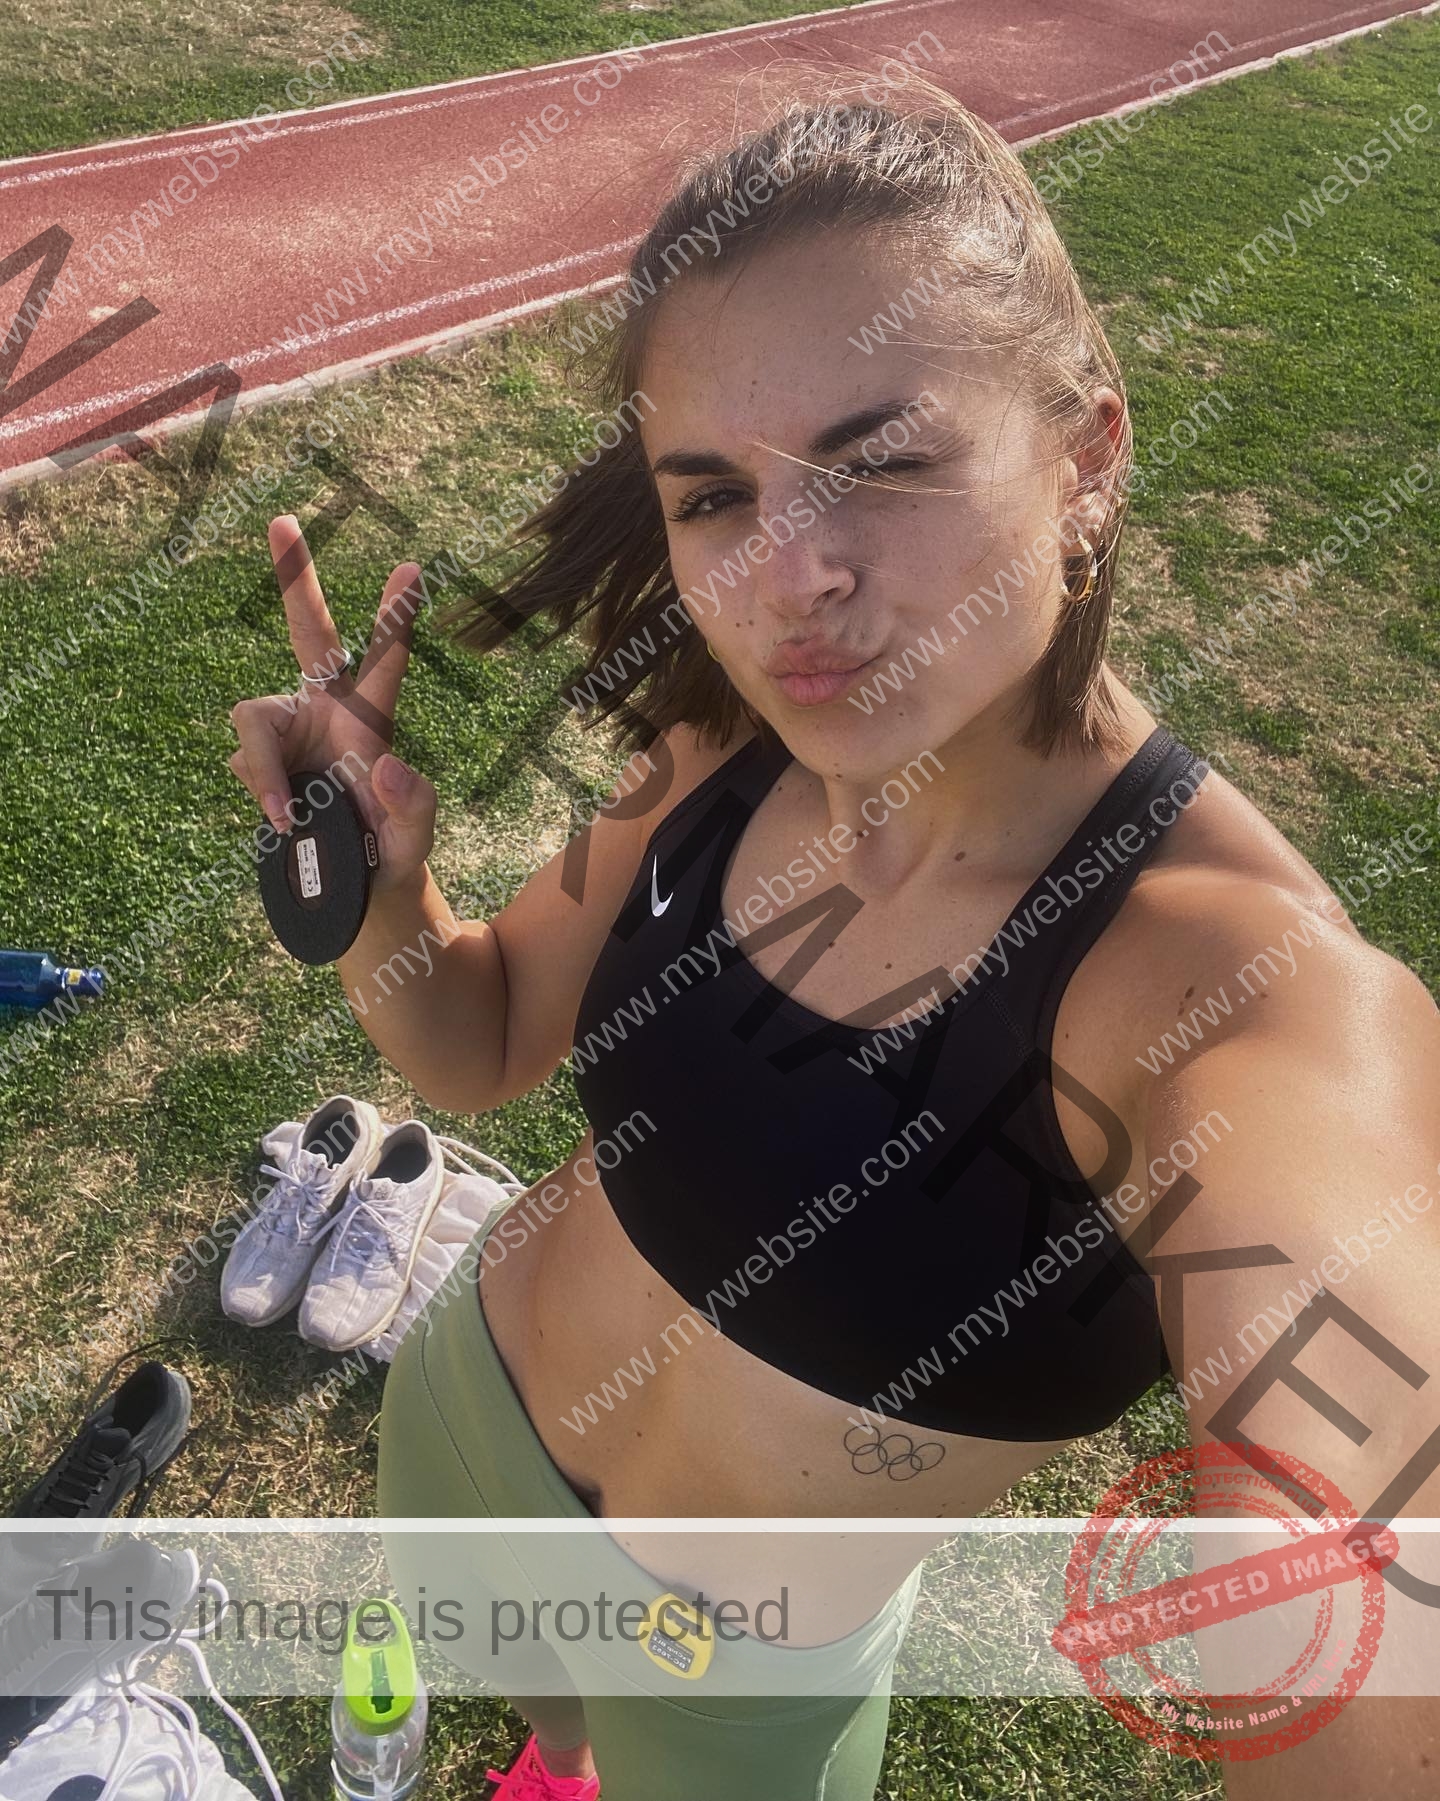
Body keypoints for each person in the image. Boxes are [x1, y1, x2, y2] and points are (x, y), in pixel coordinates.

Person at [228, 73, 1440, 1801]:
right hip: (472, 1424)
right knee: (537, 1729)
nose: (790, 575)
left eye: (879, 461)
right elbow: (481, 1036)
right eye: (713, 496)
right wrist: (377, 888)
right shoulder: (731, 745)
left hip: (749, 1675)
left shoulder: (1240, 995)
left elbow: (1379, 1575)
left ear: (1088, 456)